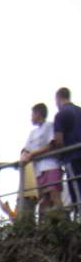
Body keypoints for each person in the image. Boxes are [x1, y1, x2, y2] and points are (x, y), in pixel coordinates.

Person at [20, 103, 63, 221]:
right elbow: (26, 149)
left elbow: (51, 145)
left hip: (51, 165)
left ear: (38, 113)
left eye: (32, 114)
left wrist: (33, 154)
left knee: (54, 194)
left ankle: (65, 223)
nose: (31, 117)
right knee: (44, 198)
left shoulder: (49, 126)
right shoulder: (32, 133)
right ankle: (46, 227)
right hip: (38, 170)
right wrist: (24, 155)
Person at [52, 87, 81, 218]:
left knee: (76, 188)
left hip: (72, 157)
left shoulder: (61, 114)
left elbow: (59, 141)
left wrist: (58, 155)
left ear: (58, 98)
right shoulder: (79, 111)